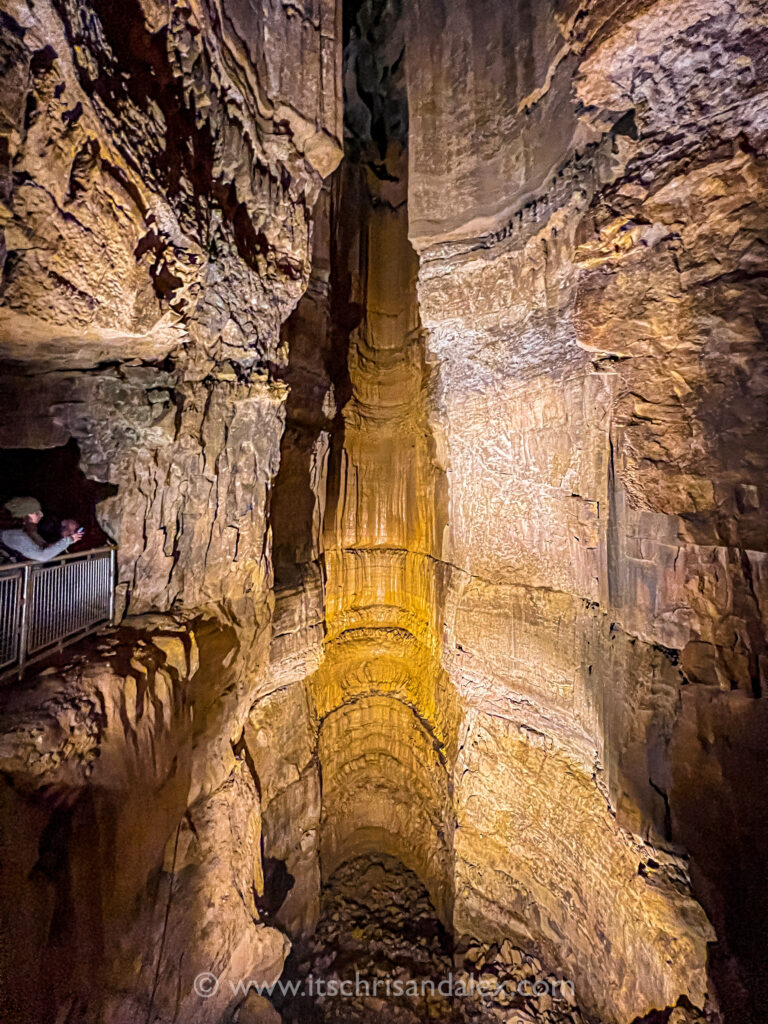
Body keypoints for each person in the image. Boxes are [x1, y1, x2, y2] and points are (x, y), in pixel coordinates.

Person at [0, 497, 84, 562]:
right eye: (36, 513)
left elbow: (44, 546)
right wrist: (68, 540)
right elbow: (42, 556)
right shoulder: (13, 535)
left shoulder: (28, 530)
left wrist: (69, 540)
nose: (41, 515)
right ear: (24, 515)